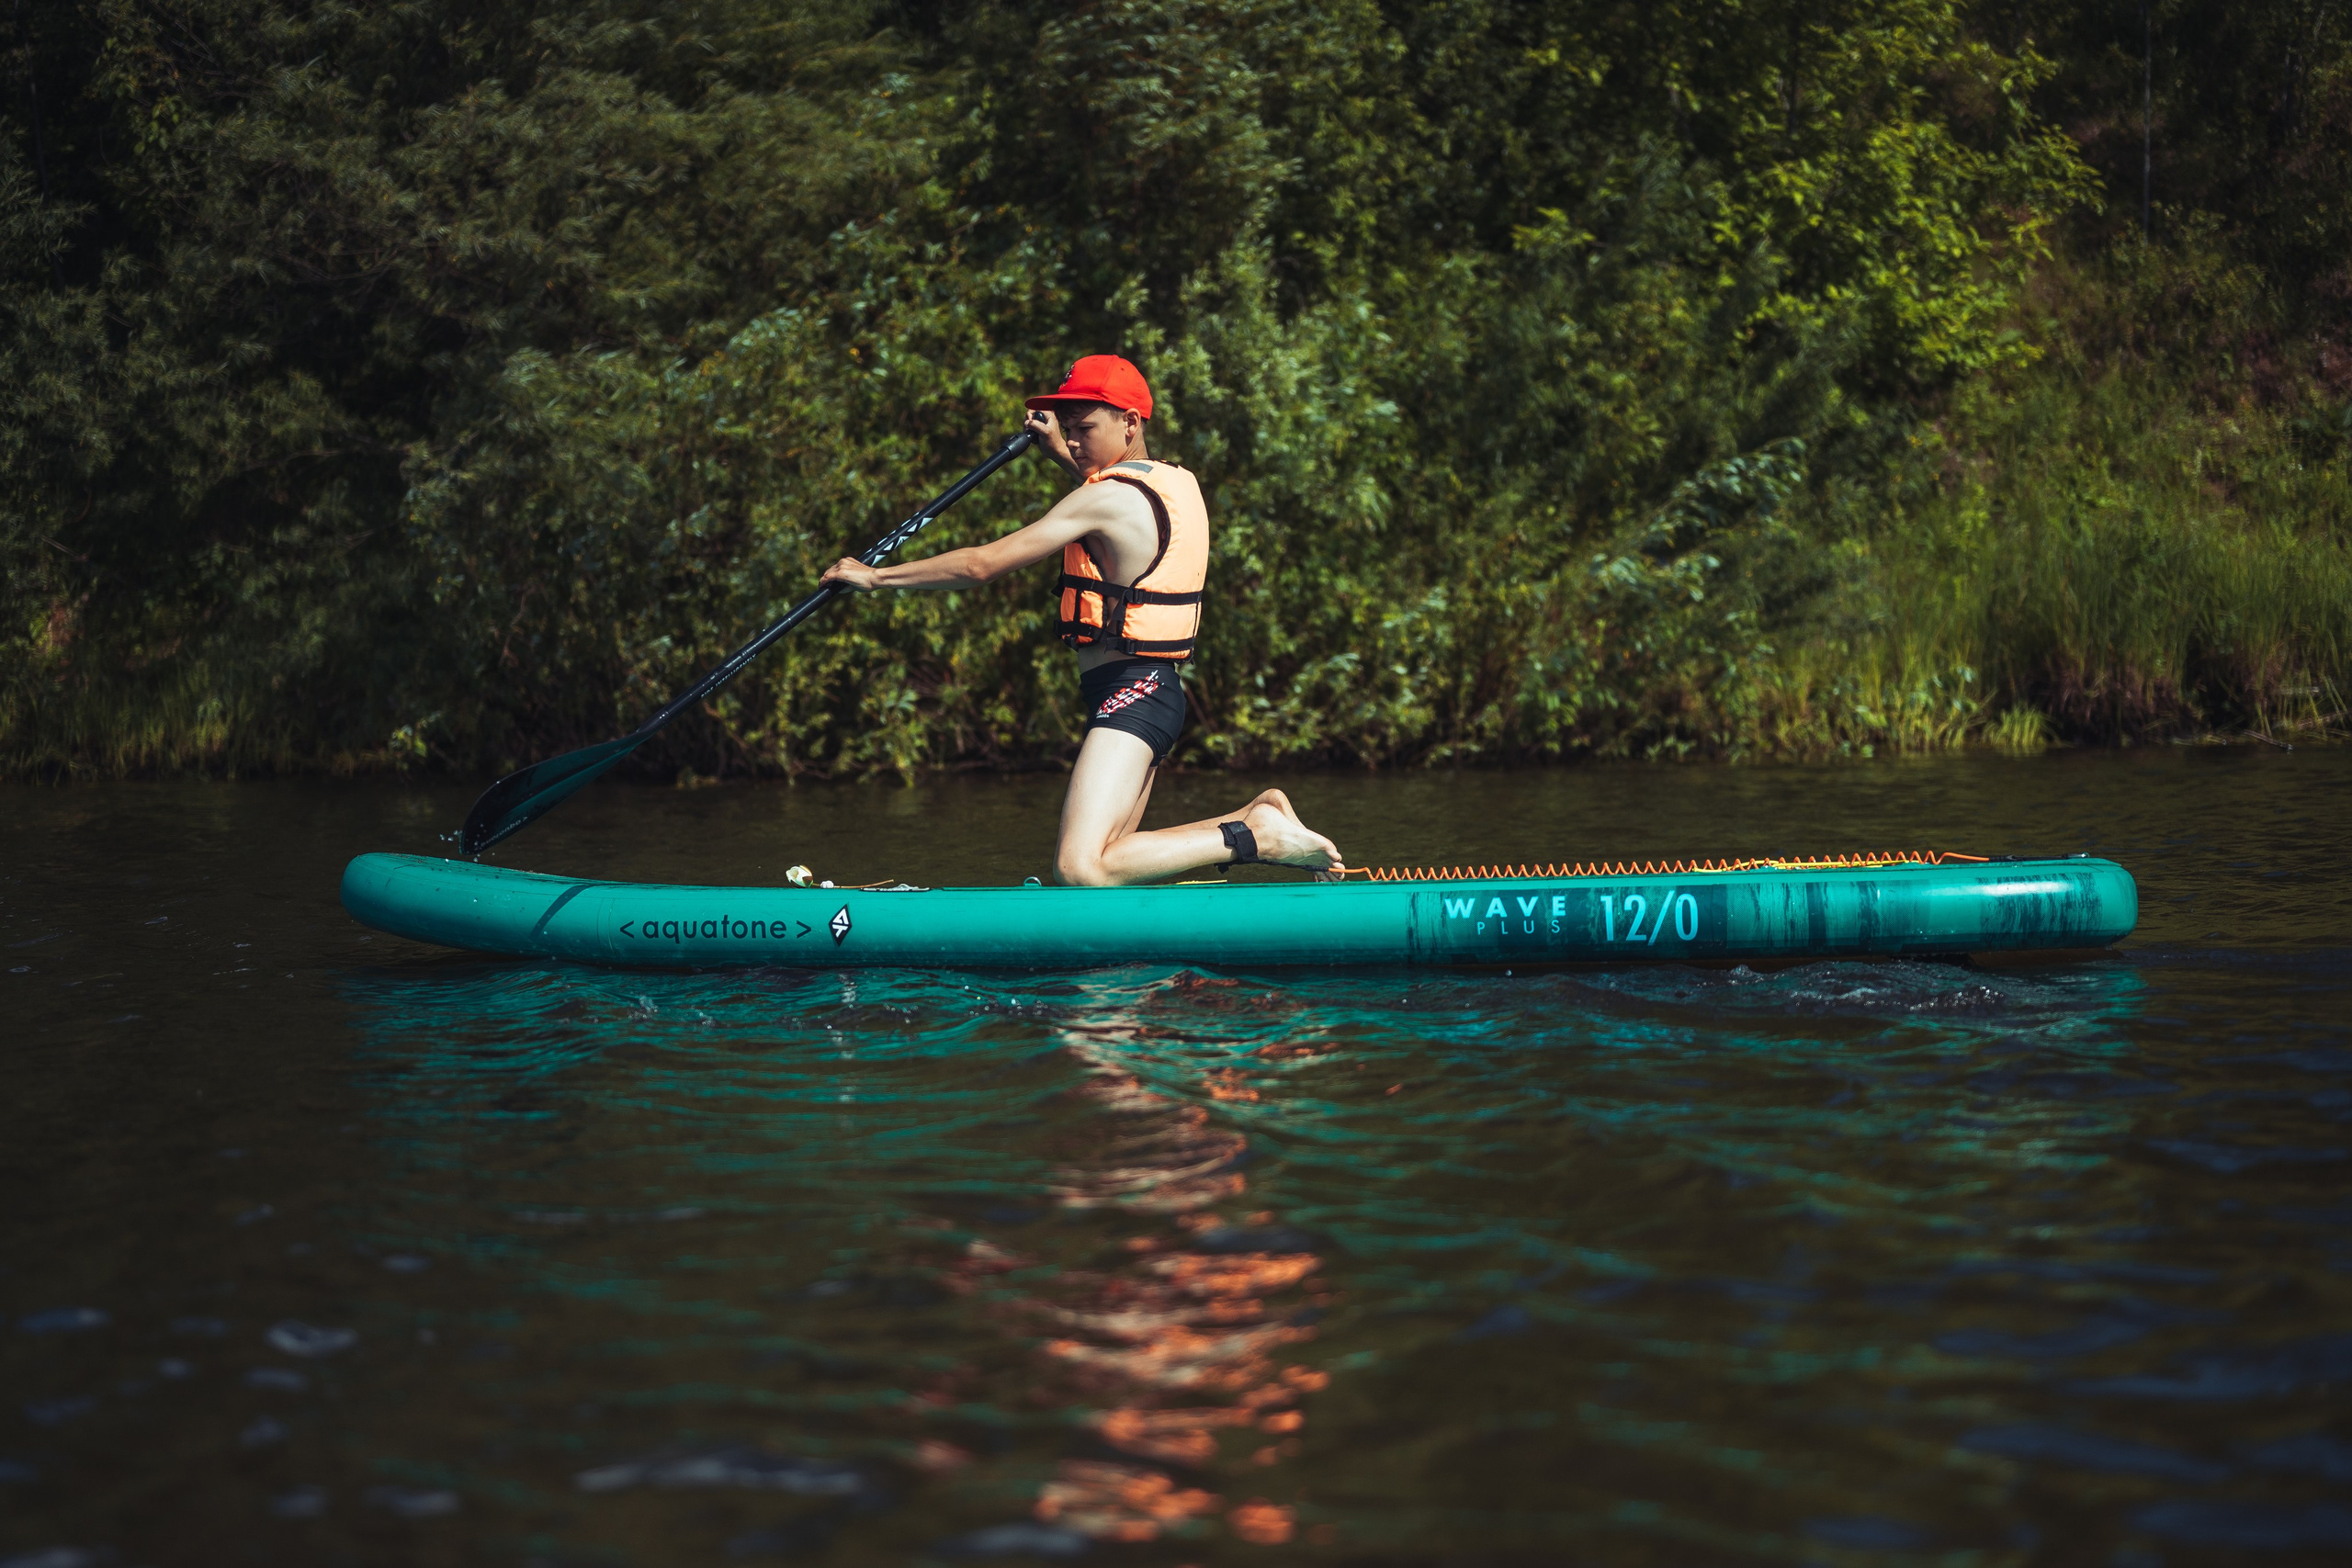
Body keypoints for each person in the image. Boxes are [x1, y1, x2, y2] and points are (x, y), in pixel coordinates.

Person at [820, 355, 1345, 886]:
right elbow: (1110, 509)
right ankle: (1251, 821)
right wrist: (1063, 455)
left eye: (1085, 428)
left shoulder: (1105, 497)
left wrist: (876, 578)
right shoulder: (1168, 483)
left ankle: (1258, 835)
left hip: (1133, 691)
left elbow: (982, 566)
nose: (1073, 441)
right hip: (1147, 692)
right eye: (1067, 430)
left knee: (1081, 869)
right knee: (1109, 863)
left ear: (1130, 422)